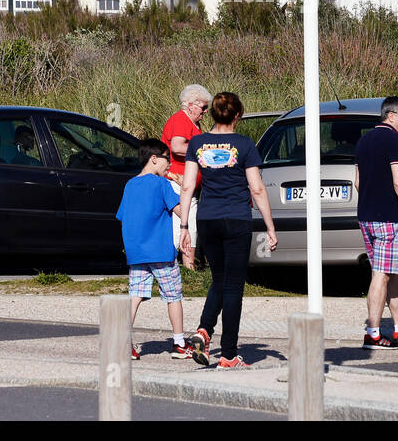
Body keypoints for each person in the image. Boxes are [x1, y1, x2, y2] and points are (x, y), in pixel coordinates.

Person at [179, 92, 278, 368]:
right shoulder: (245, 145)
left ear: (212, 115)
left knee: (220, 280)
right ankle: (229, 354)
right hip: (236, 219)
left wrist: (184, 225)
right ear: (238, 116)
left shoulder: (197, 143)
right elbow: (256, 189)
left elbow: (187, 186)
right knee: (234, 287)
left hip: (207, 219)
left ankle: (203, 330)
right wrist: (270, 226)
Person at [354, 96, 398, 348]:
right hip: (388, 217)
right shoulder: (395, 140)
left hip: (366, 215)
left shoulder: (364, 140)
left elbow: (357, 182)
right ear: (391, 116)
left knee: (392, 273)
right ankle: (373, 333)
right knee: (381, 275)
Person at [115, 140, 193, 360]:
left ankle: (122, 342)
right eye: (167, 159)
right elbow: (179, 211)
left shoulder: (130, 185)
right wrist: (183, 190)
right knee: (173, 296)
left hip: (136, 253)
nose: (169, 164)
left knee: (135, 296)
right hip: (160, 252)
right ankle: (179, 343)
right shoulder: (162, 185)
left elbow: (123, 216)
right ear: (154, 159)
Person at [163, 84, 211, 269]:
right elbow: (177, 147)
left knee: (190, 224)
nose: (205, 112)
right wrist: (204, 154)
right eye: (203, 107)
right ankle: (183, 268)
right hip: (179, 182)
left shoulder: (192, 122)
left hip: (189, 183)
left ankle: (188, 267)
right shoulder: (181, 120)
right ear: (190, 104)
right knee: (184, 224)